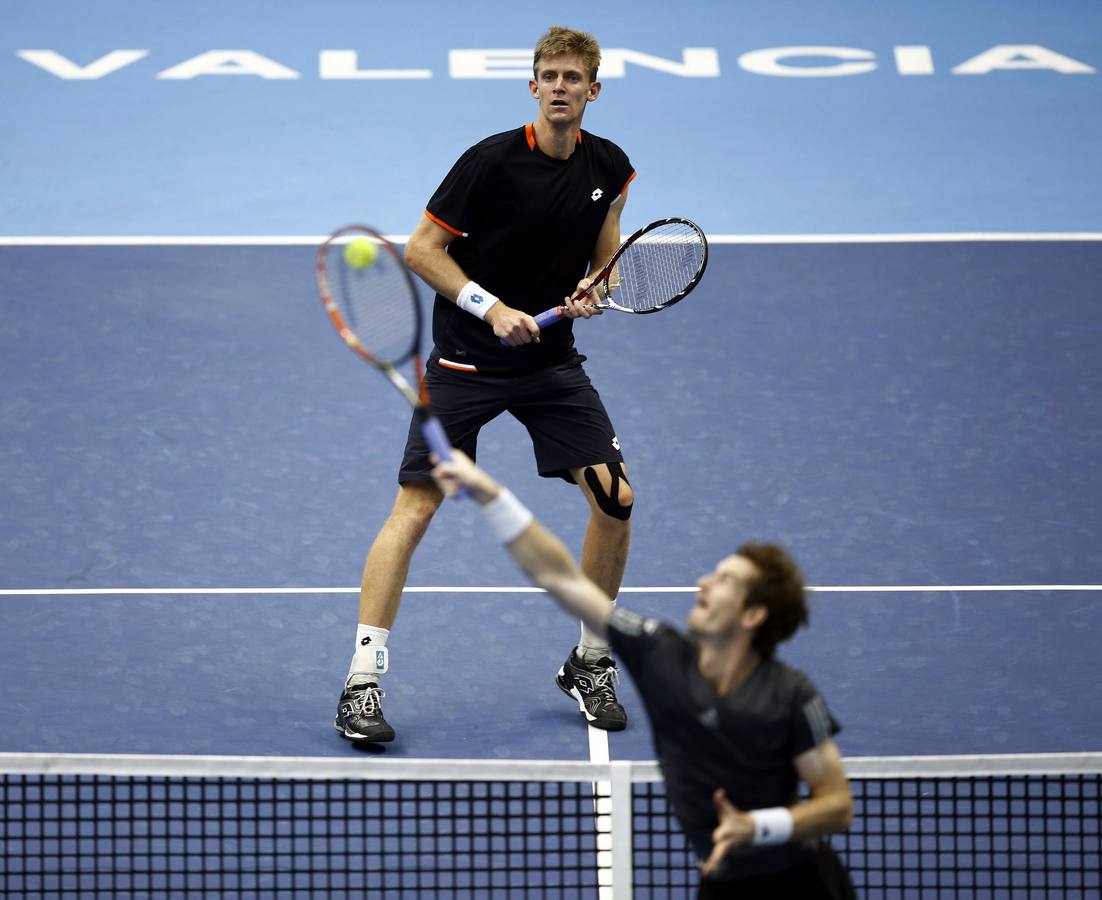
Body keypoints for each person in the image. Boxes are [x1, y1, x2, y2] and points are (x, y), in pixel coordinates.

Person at [335, 25, 638, 743]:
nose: (560, 87)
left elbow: (607, 262)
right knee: (414, 510)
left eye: (573, 77)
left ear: (593, 90)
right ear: (532, 86)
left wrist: (596, 290)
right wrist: (491, 307)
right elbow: (420, 249)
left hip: (550, 367)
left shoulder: (612, 168)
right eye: (549, 76)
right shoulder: (488, 163)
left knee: (616, 498)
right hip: (467, 364)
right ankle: (361, 681)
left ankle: (590, 658)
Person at [430, 450, 857, 899]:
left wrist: (757, 826)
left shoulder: (790, 695)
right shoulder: (662, 656)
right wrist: (492, 495)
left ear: (752, 615)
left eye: (726, 581)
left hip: (805, 886)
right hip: (721, 882)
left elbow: (837, 805)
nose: (704, 582)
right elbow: (561, 578)